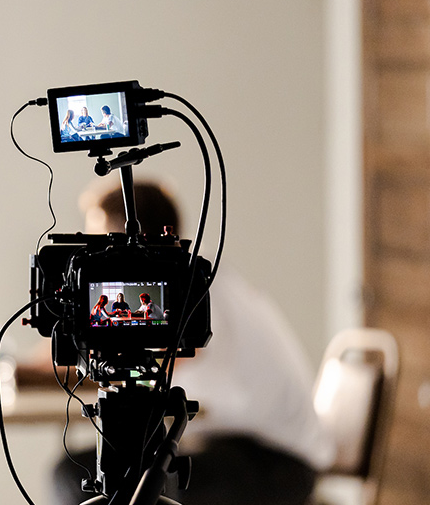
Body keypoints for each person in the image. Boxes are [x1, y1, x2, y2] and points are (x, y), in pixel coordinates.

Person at [51, 181, 333, 505]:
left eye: (100, 241)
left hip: (275, 463)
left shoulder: (194, 290)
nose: (92, 257)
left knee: (81, 477)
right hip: (242, 447)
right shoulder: (201, 276)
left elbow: (151, 363)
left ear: (129, 238)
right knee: (106, 471)